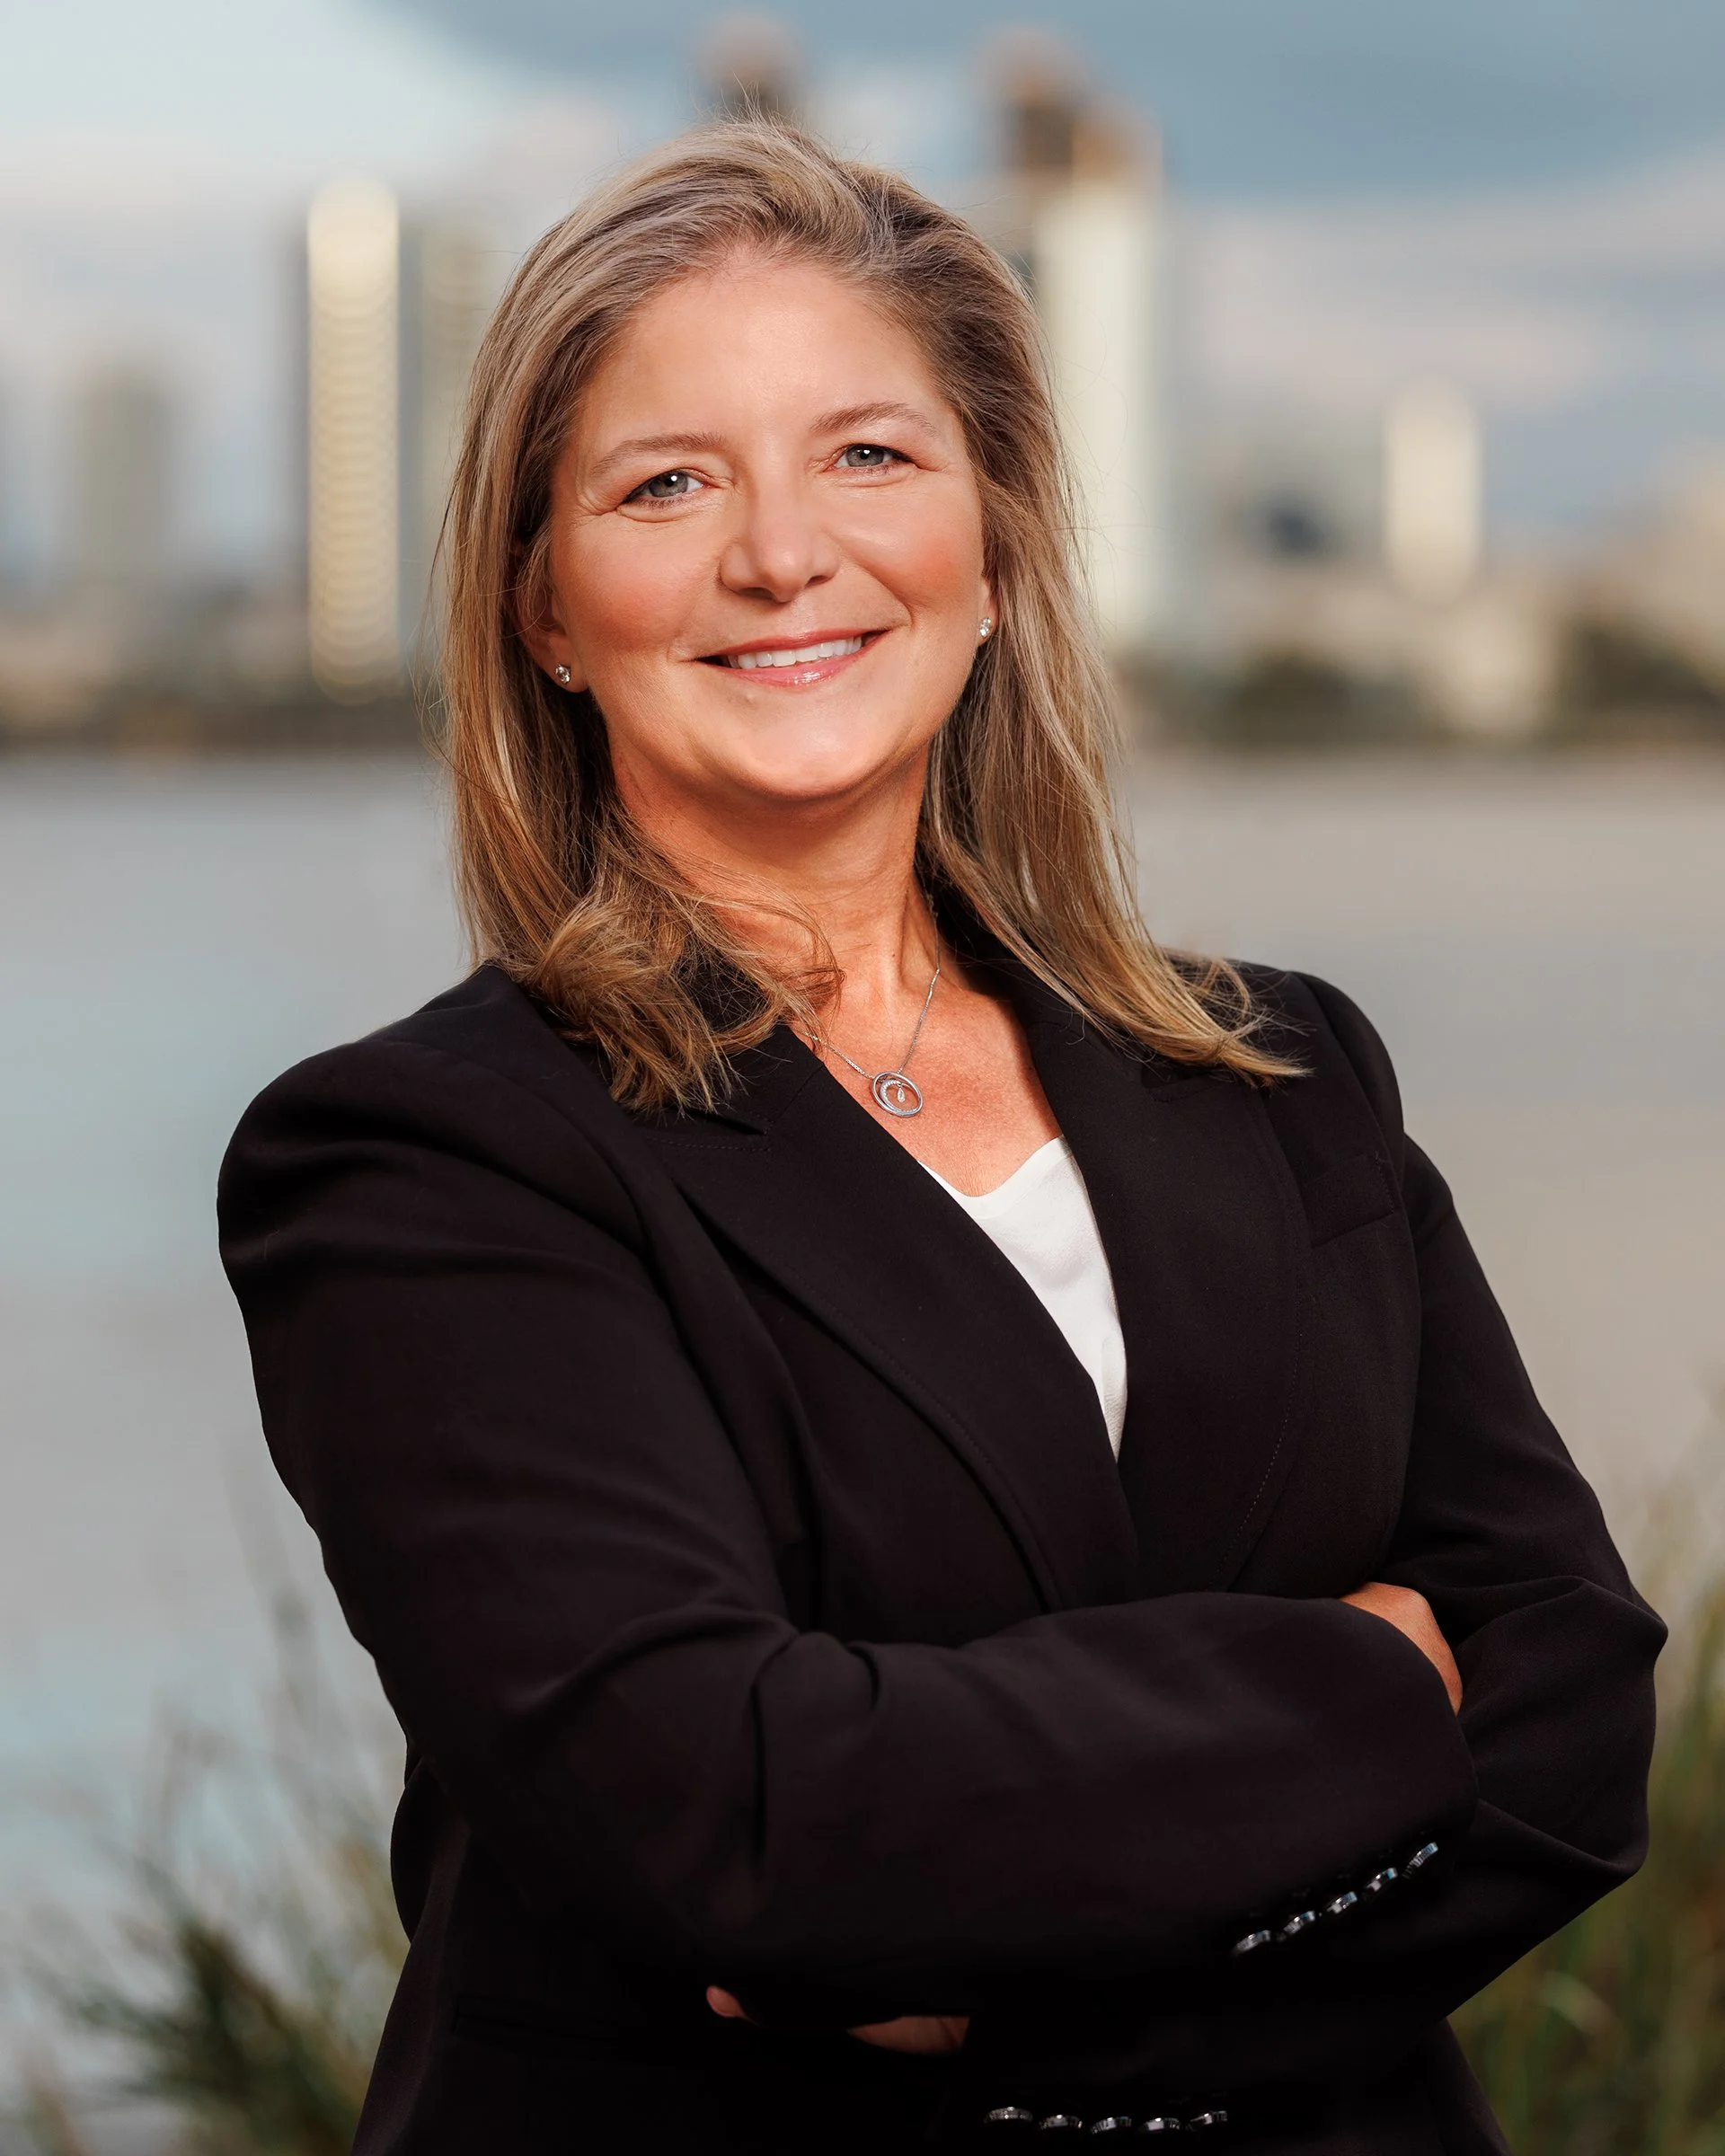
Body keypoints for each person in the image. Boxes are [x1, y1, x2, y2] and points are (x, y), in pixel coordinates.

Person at [219, 121, 1662, 2155]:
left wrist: (1027, 2014)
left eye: (871, 456)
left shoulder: (1286, 1075)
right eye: (666, 484)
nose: (782, 554)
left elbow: (1574, 1715)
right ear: (543, 604)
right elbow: (743, 1818)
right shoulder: (421, 1163)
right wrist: (1367, 1684)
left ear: (992, 552)